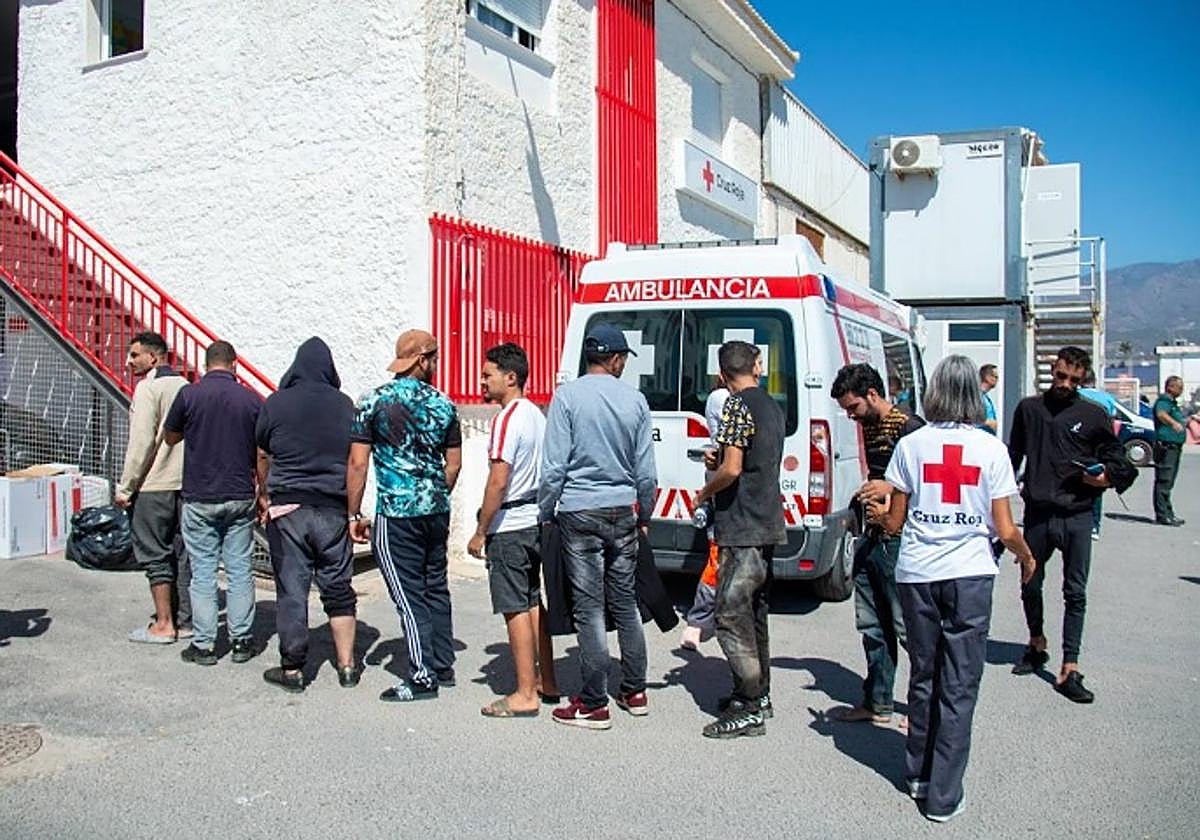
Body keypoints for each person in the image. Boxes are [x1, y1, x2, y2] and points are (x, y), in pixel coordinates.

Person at [873, 355, 1036, 823]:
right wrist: (1026, 557)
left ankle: (918, 775)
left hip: (918, 574)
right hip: (969, 575)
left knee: (924, 675)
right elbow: (1005, 528)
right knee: (959, 683)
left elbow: (895, 522)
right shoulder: (991, 449)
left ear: (935, 391)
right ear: (974, 394)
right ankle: (943, 796)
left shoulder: (912, 444)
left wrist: (880, 514)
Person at [539, 323, 657, 730]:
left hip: (578, 512)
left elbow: (554, 467)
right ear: (616, 359)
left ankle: (593, 702)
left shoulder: (567, 397)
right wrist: (644, 515)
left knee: (589, 607)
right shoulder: (636, 400)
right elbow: (646, 473)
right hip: (622, 511)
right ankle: (635, 691)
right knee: (625, 602)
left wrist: (546, 511)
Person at [1007, 346, 1136, 703]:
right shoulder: (1029, 409)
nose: (1065, 384)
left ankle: (1070, 666)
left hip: (1077, 515)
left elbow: (1120, 461)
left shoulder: (1093, 414)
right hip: (1037, 513)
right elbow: (1011, 457)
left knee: (1075, 592)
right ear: (1053, 369)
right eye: (1061, 376)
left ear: (1083, 380)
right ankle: (1036, 642)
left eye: (1074, 380)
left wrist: (1106, 478)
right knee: (1030, 583)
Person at [348, 329, 462, 702]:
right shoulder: (445, 405)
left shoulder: (372, 402)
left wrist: (353, 513)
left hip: (397, 512)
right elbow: (454, 464)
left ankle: (422, 675)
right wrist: (434, 492)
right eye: (435, 358)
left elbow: (358, 463)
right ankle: (442, 664)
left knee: (408, 594)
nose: (437, 364)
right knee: (435, 587)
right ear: (422, 360)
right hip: (436, 509)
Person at [255, 337, 359, 692]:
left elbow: (262, 452)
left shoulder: (277, 402)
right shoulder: (345, 405)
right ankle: (347, 666)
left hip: (288, 510)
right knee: (339, 586)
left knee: (292, 588)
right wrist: (353, 509)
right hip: (333, 508)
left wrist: (264, 492)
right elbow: (356, 459)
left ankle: (293, 669)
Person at [693, 341, 785, 739]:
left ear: (721, 374)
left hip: (742, 523)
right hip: (768, 519)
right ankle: (759, 695)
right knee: (755, 612)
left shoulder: (735, 405)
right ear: (757, 367)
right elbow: (748, 458)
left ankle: (748, 706)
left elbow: (732, 469)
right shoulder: (771, 405)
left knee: (730, 612)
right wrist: (721, 460)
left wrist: (704, 492)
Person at [829, 362, 924, 726]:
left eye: (853, 407)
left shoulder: (910, 428)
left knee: (907, 628)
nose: (851, 416)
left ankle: (923, 708)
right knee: (873, 626)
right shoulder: (870, 425)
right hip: (873, 535)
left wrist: (889, 488)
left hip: (901, 541)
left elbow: (925, 485)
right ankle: (877, 701)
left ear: (872, 394)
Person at [468, 343, 560, 717]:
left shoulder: (507, 419)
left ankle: (525, 693)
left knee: (515, 607)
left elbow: (498, 479)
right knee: (534, 602)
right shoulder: (537, 415)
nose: (482, 381)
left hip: (510, 524)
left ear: (511, 377)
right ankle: (547, 680)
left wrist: (481, 530)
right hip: (535, 518)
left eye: (487, 374)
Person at [163, 340, 263, 666]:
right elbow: (262, 449)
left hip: (199, 494)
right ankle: (241, 641)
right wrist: (263, 489)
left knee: (203, 572)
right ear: (234, 364)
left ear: (206, 365)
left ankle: (204, 645)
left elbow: (170, 436)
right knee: (240, 569)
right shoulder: (250, 399)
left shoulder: (189, 395)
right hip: (240, 493)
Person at [115, 331, 191, 644]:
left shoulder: (148, 388)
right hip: (185, 483)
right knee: (183, 554)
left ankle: (163, 624)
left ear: (154, 357)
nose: (129, 361)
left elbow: (141, 442)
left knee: (155, 555)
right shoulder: (186, 386)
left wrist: (126, 487)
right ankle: (185, 620)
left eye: (135, 355)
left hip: (154, 483)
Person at [679, 377, 728, 651]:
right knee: (717, 558)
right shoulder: (722, 398)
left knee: (718, 558)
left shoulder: (718, 398)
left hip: (718, 482)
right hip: (723, 487)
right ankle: (698, 621)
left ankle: (704, 620)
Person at [1078, 371, 1120, 539]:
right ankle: (1094, 525)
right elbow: (1113, 423)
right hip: (1099, 446)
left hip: (1077, 443)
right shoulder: (1107, 398)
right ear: (1094, 381)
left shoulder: (1076, 396)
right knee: (1097, 482)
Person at [1152, 376, 1190, 527]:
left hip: (1175, 446)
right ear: (1170, 387)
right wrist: (1174, 423)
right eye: (1179, 387)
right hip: (1167, 446)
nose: (1181, 390)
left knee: (1169, 481)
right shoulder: (1164, 401)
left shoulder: (1173, 403)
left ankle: (1169, 513)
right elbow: (1161, 414)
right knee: (1164, 480)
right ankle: (1162, 515)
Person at [979, 364, 999, 434]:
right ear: (987, 377)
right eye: (995, 377)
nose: (997, 380)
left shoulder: (985, 397)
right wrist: (990, 423)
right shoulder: (976, 396)